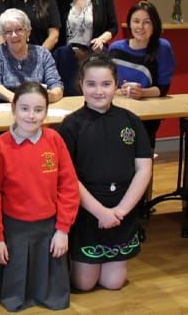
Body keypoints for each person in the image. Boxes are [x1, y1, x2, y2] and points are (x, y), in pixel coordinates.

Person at [57, 54, 152, 292]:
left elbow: (144, 169)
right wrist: (100, 212)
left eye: (106, 84)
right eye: (91, 84)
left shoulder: (131, 120)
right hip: (88, 212)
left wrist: (120, 211)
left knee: (113, 283)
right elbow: (68, 178)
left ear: (116, 85)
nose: (98, 91)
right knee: (84, 284)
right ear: (81, 85)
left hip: (121, 210)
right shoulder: (71, 125)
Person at [0, 82, 80, 312]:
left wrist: (63, 229)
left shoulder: (55, 141)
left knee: (55, 296)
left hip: (49, 227)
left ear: (46, 111)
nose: (31, 116)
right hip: (14, 227)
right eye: (24, 109)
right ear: (13, 109)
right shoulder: (0, 146)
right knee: (13, 293)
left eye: (38, 110)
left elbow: (68, 186)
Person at [107, 0, 176, 148]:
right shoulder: (115, 49)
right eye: (136, 21)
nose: (140, 27)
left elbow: (163, 89)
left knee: (142, 159)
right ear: (129, 24)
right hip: (117, 111)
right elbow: (106, 83)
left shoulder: (162, 48)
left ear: (154, 25)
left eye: (146, 22)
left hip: (147, 116)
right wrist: (119, 90)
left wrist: (142, 92)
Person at [53, 0, 118, 95]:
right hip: (67, 58)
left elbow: (113, 27)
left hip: (94, 55)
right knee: (69, 95)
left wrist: (102, 39)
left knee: (94, 93)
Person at [0, 8, 64, 103]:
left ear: (28, 32)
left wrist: (51, 96)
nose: (14, 35)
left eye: (19, 30)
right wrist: (18, 100)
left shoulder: (42, 53)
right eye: (8, 31)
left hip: (37, 105)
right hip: (8, 105)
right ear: (3, 36)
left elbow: (56, 85)